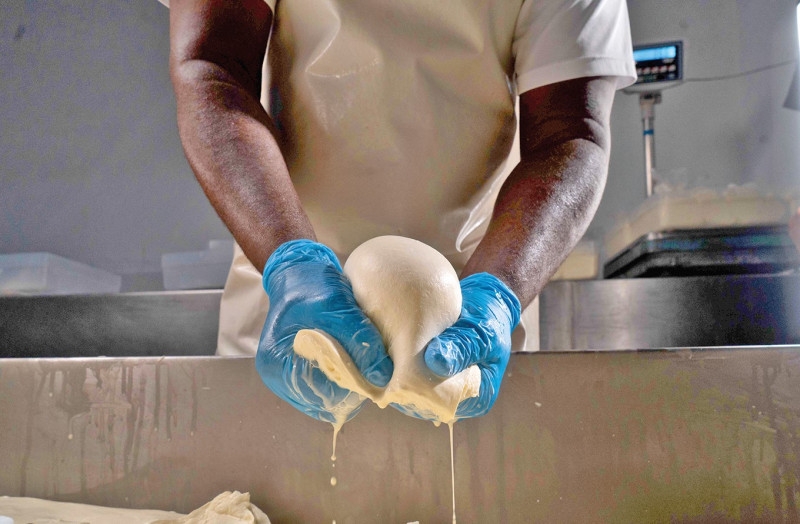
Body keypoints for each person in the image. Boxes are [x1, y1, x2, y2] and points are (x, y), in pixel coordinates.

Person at [163, 0, 636, 422]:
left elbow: (569, 133)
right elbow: (214, 67)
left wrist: (498, 294)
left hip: (461, 325)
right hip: (292, 318)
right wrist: (291, 264)